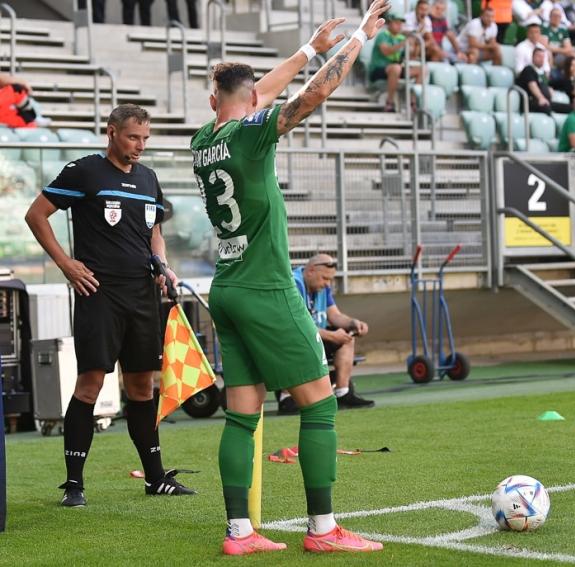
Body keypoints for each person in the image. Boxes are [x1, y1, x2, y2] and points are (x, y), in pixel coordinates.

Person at [190, 1, 389, 555]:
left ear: (214, 102)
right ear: (249, 101)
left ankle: (239, 534)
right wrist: (358, 40)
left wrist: (308, 49)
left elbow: (262, 94)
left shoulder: (204, 140)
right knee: (321, 405)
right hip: (267, 287)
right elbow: (310, 96)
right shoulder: (254, 132)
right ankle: (324, 531)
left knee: (242, 413)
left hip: (225, 289)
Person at [24, 104, 195, 508]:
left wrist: (162, 265)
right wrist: (67, 264)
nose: (140, 146)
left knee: (142, 386)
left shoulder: (149, 178)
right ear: (112, 132)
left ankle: (155, 479)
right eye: (133, 137)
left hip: (141, 295)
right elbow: (36, 215)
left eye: (145, 139)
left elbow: (154, 229)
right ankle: (74, 484)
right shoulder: (84, 171)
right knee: (91, 384)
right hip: (98, 292)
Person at [277, 255, 375, 414]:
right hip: (292, 339)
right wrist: (331, 336)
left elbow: (334, 315)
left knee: (346, 339)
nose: (327, 284)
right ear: (310, 271)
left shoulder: (322, 288)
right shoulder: (294, 285)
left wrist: (353, 323)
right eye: (324, 278)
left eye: (330, 279)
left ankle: (343, 393)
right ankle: (286, 398)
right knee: (300, 341)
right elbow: (296, 326)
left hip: (314, 337)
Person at [369, 13, 422, 112]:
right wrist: (403, 43)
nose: (399, 26)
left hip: (395, 69)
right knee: (396, 68)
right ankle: (389, 102)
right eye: (396, 23)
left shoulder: (401, 38)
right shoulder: (382, 35)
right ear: (389, 23)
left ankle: (413, 102)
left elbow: (413, 56)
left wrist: (416, 44)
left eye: (400, 24)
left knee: (422, 70)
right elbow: (386, 51)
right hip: (378, 69)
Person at [516, 48, 574, 115]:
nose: (541, 59)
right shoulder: (528, 69)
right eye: (539, 56)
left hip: (546, 102)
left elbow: (545, 85)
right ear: (532, 57)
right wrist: (541, 98)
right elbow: (532, 85)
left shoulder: (542, 74)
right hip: (531, 102)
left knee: (571, 109)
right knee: (546, 108)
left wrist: (549, 89)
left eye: (543, 57)